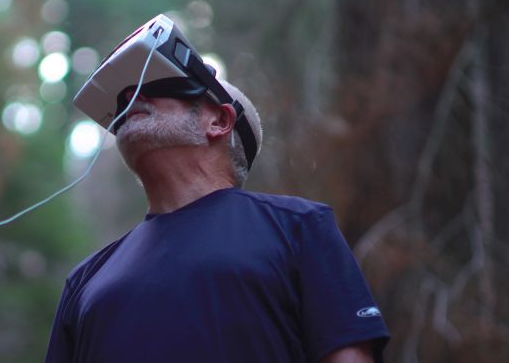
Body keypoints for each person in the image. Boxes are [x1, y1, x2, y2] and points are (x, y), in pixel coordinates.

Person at [45, 79, 390, 362]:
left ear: (219, 122)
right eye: (126, 97)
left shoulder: (299, 227)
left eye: (165, 85)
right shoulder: (84, 279)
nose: (132, 97)